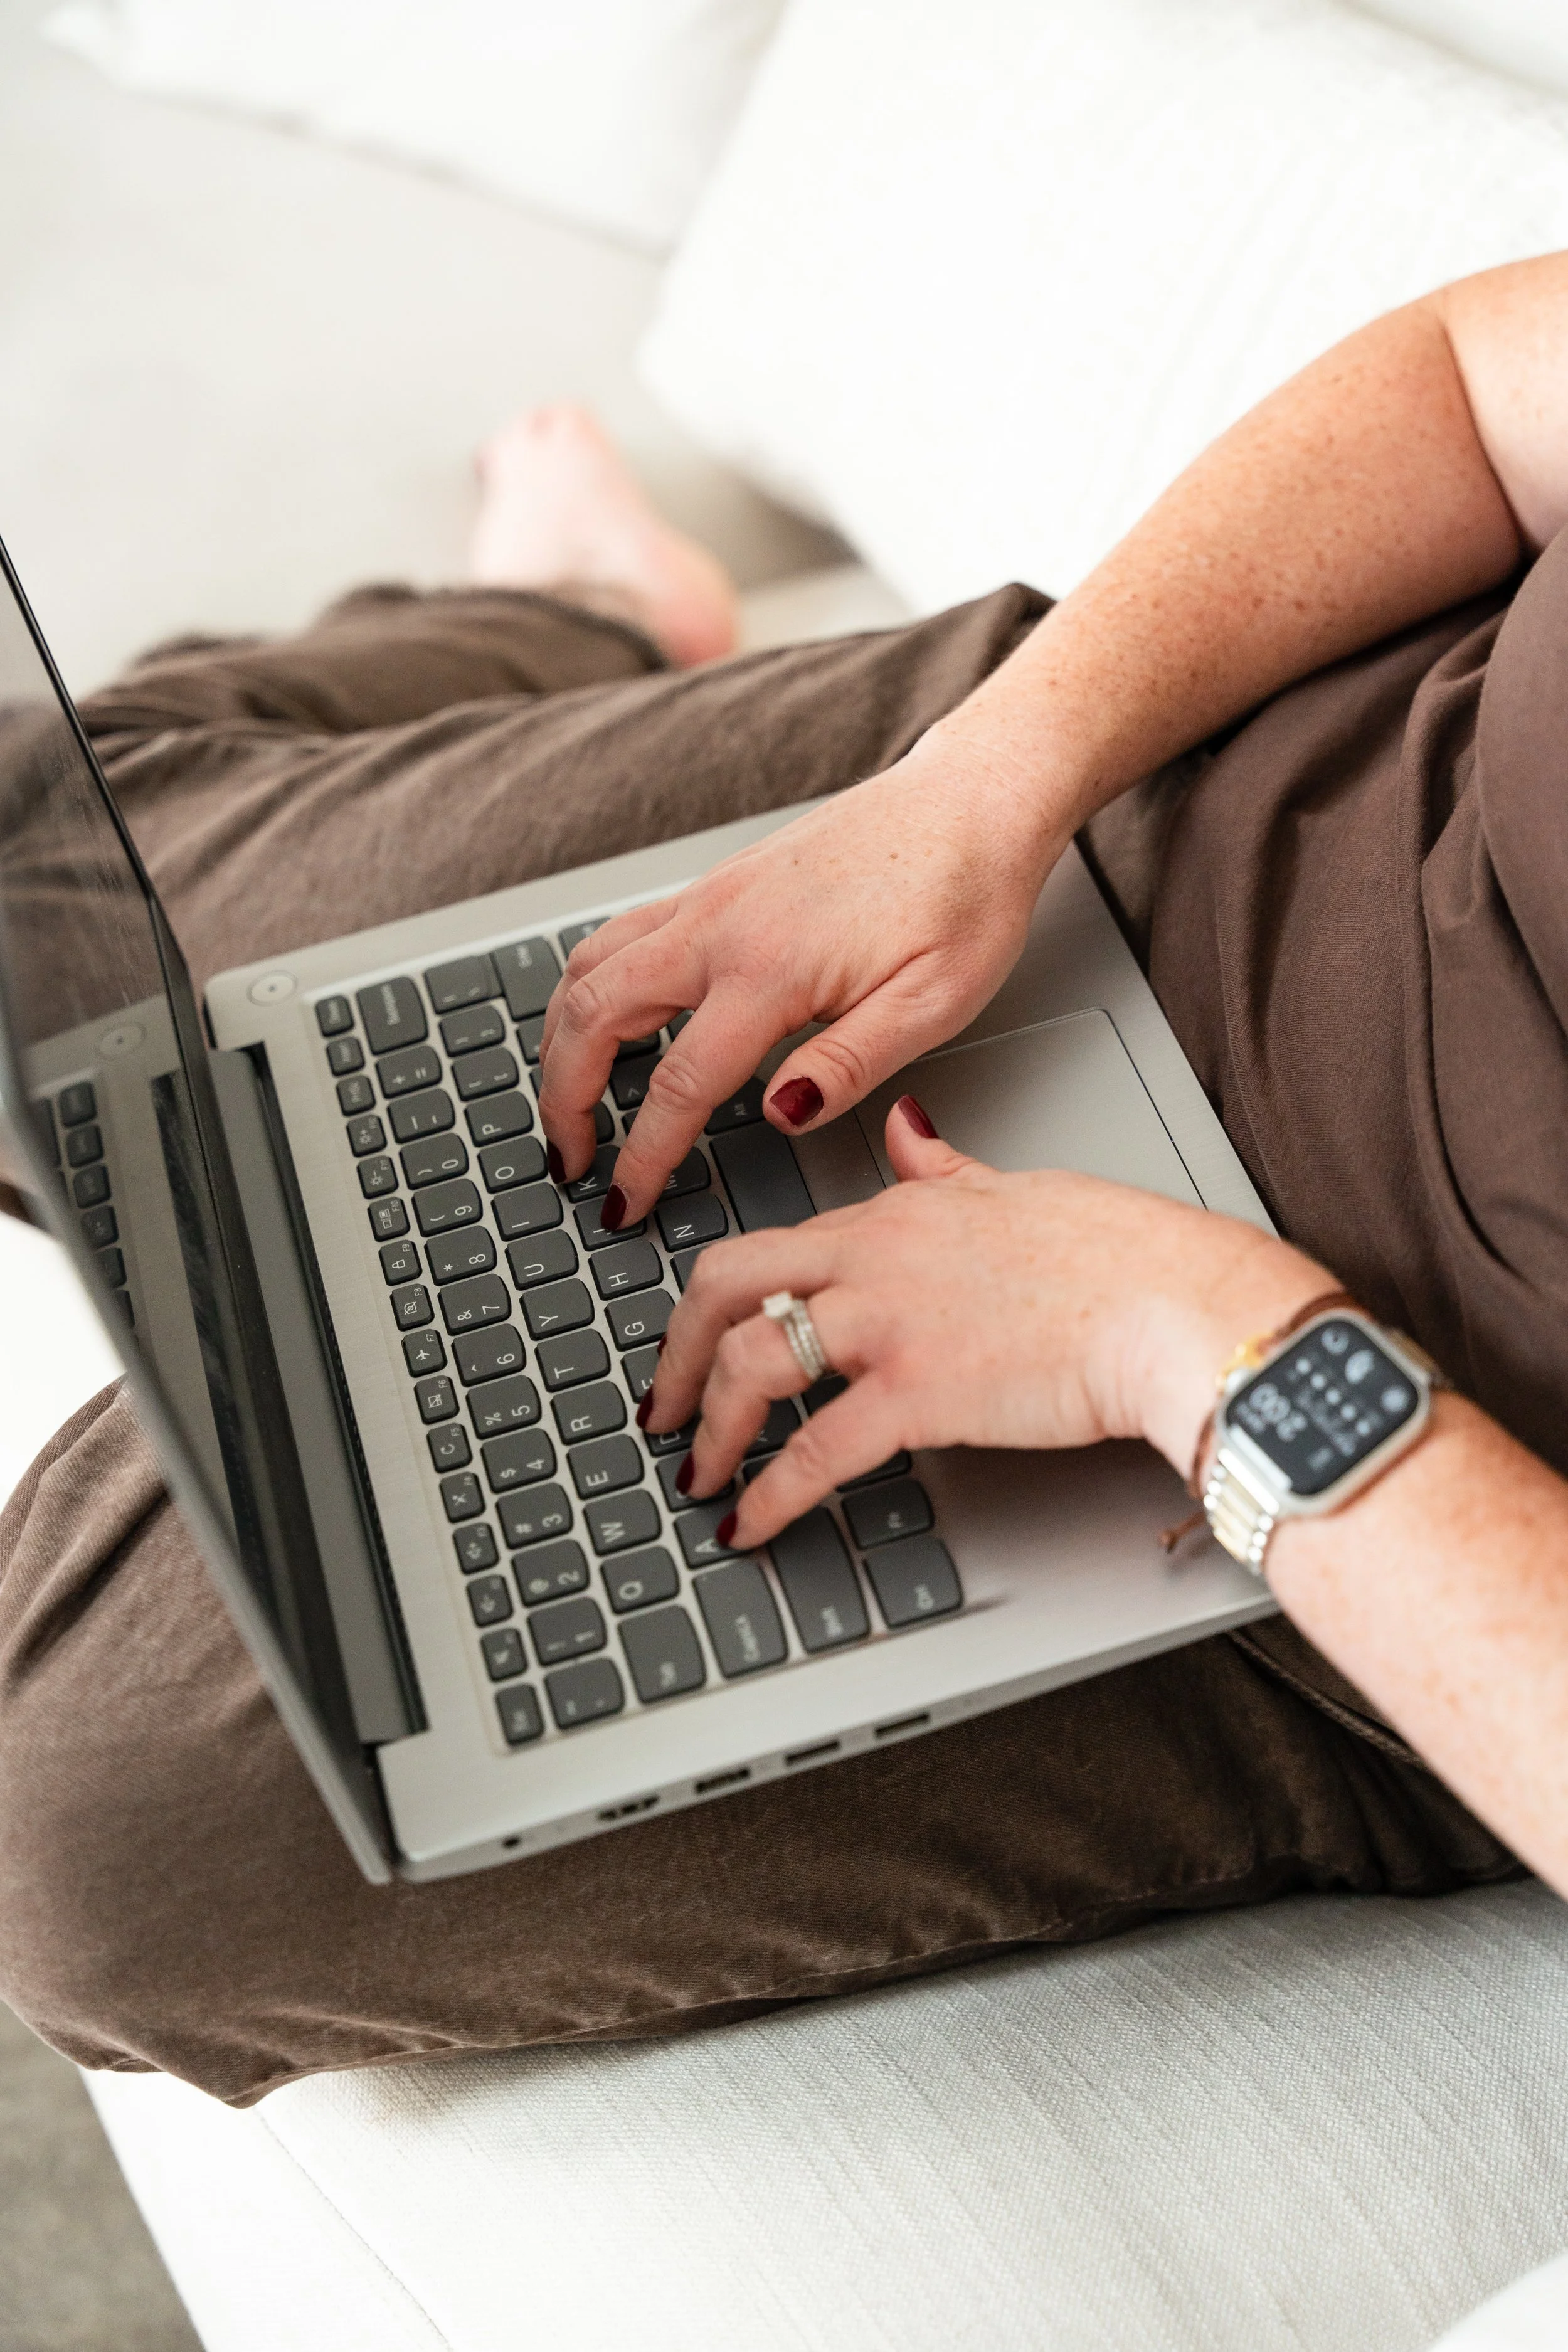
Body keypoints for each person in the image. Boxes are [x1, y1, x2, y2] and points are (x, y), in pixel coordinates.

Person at [3, 252, 1565, 2109]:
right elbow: (1477, 384)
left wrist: (1175, 1328)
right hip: (1130, 837)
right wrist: (983, 783)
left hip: (1310, 1510)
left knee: (82, 1835)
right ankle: (579, 608)